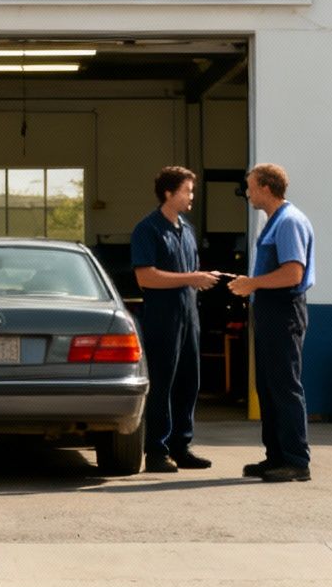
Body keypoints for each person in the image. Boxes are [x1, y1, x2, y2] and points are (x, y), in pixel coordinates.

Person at [130, 166, 223, 472]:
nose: (191, 196)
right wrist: (192, 277)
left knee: (188, 383)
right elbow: (146, 277)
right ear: (168, 193)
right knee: (163, 385)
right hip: (163, 319)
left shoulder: (186, 229)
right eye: (187, 190)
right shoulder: (148, 229)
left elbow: (189, 274)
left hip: (189, 317)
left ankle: (181, 446)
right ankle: (156, 451)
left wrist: (198, 279)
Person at [226, 163, 315, 483]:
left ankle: (296, 460)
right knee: (267, 386)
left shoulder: (289, 222)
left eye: (250, 186)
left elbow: (294, 273)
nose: (246, 192)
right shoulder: (275, 222)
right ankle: (275, 456)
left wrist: (253, 284)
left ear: (266, 187)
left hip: (283, 310)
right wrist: (254, 285)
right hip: (269, 310)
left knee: (284, 387)